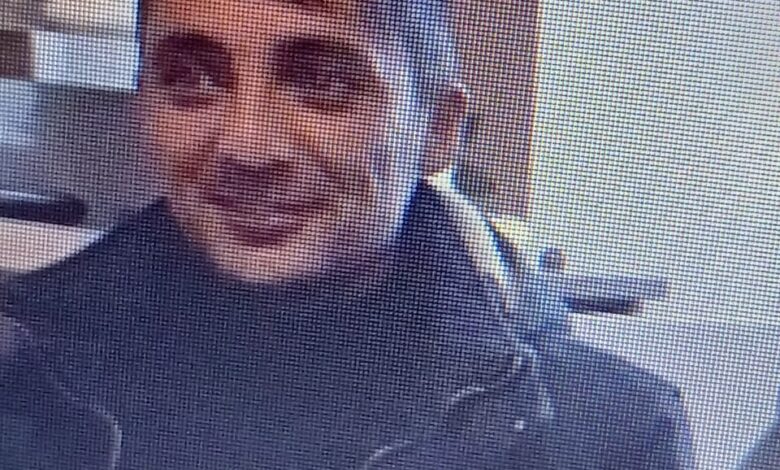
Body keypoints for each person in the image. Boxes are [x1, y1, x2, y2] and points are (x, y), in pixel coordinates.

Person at [0, 0, 695, 468]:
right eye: (193, 77)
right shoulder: (18, 377)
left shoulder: (602, 438)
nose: (249, 146)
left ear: (437, 129)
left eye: (324, 82)